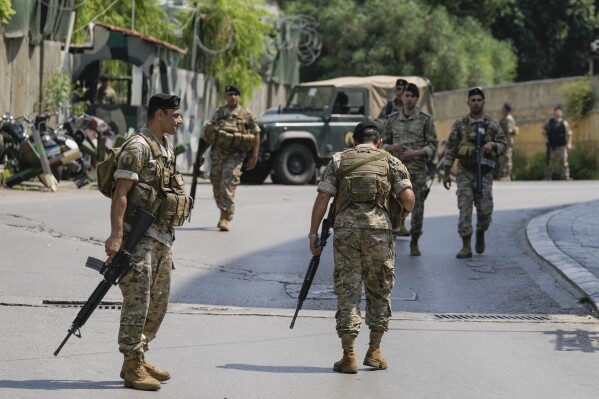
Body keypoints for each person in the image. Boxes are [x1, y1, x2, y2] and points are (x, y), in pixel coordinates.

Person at [309, 122, 415, 374]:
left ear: (354, 141)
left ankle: (349, 356)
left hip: (346, 232)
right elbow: (408, 197)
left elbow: (323, 197)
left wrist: (313, 233)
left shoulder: (339, 160)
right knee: (379, 290)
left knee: (348, 290)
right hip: (379, 232)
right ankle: (375, 352)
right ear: (378, 142)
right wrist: (401, 217)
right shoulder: (390, 161)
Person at [105, 93, 191, 391]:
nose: (179, 120)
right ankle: (132, 365)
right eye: (175, 114)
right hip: (138, 239)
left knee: (159, 304)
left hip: (162, 238)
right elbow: (121, 193)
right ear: (159, 114)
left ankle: (139, 356)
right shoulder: (137, 147)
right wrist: (116, 235)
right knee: (138, 304)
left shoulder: (165, 145)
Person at [442, 87, 507, 258]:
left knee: (485, 210)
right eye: (473, 100)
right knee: (464, 208)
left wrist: (492, 145)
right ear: (468, 103)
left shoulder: (492, 124)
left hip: (484, 173)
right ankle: (466, 245)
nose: (476, 103)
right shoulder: (460, 124)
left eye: (479, 100)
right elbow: (451, 148)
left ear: (483, 102)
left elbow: (503, 144)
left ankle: (480, 231)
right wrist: (447, 172)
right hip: (465, 172)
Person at [382, 83, 438, 256]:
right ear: (402, 97)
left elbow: (433, 145)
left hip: (417, 172)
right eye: (406, 95)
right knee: (393, 206)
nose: (409, 99)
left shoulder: (425, 119)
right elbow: (382, 143)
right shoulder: (391, 120)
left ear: (417, 98)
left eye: (413, 96)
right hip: (396, 172)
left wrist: (416, 152)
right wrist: (390, 148)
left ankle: (414, 241)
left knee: (418, 208)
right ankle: (392, 240)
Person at [204, 84, 261, 231]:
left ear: (239, 97)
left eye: (236, 94)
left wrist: (254, 156)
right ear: (225, 96)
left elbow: (256, 134)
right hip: (218, 154)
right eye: (230, 94)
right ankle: (223, 209)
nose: (233, 97)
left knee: (228, 182)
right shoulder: (219, 113)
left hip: (235, 155)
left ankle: (225, 216)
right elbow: (210, 134)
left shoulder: (246, 114)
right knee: (216, 182)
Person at [542, 105, 573, 180]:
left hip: (561, 145)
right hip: (552, 145)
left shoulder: (564, 123)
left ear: (561, 114)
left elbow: (569, 134)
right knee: (550, 162)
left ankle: (566, 176)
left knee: (564, 162)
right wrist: (545, 139)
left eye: (559, 112)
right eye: (556, 112)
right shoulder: (549, 122)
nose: (557, 113)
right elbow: (543, 131)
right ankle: (548, 177)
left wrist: (569, 143)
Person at [498, 102, 518, 180]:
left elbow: (509, 132)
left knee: (507, 157)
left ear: (506, 109)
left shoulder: (508, 119)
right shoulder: (504, 117)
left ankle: (507, 175)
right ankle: (503, 174)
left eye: (503, 108)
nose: (501, 109)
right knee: (502, 158)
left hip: (507, 141)